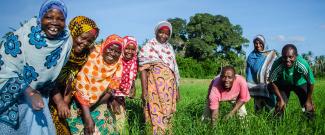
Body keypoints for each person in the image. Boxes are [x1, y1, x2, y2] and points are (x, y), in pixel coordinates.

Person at [0, 0, 72, 134]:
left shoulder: (64, 42)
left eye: (60, 19)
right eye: (49, 17)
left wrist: (60, 101)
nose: (55, 22)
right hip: (13, 103)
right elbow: (4, 70)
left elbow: (51, 78)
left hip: (40, 104)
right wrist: (30, 92)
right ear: (40, 18)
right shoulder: (22, 37)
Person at [49, 16, 99, 135]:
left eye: (90, 41)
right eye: (83, 38)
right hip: (45, 95)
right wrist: (60, 102)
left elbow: (74, 81)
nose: (85, 43)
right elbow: (49, 78)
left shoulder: (84, 56)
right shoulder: (57, 49)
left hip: (65, 98)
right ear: (74, 32)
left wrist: (65, 102)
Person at [66, 34, 123, 135]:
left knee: (106, 130)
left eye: (117, 52)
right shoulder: (92, 57)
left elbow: (111, 90)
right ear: (104, 46)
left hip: (100, 102)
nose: (113, 53)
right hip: (78, 103)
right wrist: (87, 115)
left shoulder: (118, 65)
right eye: (110, 49)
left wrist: (92, 105)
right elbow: (80, 86)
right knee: (84, 129)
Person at [139, 21, 180, 135]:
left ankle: (167, 132)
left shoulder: (170, 48)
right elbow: (143, 70)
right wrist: (144, 90)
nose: (164, 35)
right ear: (156, 32)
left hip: (170, 89)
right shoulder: (149, 47)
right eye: (161, 32)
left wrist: (177, 90)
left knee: (168, 112)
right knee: (155, 110)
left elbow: (174, 70)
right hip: (155, 88)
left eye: (167, 33)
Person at [269, 44, 315, 118]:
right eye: (284, 57)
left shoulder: (302, 63)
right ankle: (276, 125)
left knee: (307, 105)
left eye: (290, 57)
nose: (287, 60)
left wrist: (309, 100)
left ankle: (310, 123)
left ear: (296, 56)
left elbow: (311, 82)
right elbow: (272, 81)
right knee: (280, 106)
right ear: (282, 56)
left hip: (300, 83)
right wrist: (280, 99)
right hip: (284, 85)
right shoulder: (277, 64)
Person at [111, 36, 138, 133]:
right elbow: (110, 80)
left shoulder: (133, 62)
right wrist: (113, 99)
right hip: (110, 96)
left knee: (120, 121)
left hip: (121, 97)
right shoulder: (115, 60)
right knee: (113, 118)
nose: (129, 52)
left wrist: (133, 88)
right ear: (122, 47)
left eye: (133, 49)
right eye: (127, 48)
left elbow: (132, 77)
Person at [246, 35, 277, 112]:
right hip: (257, 86)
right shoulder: (251, 56)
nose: (258, 45)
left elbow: (275, 67)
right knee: (258, 108)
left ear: (264, 44)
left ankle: (272, 121)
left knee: (271, 107)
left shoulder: (270, 55)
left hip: (268, 85)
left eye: (260, 43)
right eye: (256, 43)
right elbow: (249, 71)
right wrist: (249, 83)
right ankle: (258, 122)